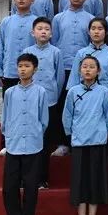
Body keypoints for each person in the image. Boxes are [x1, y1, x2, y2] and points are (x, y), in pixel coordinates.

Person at [62, 56, 108, 215]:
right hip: (79, 141)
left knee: (94, 180)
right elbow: (67, 115)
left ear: (98, 71)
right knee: (79, 181)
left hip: (98, 141)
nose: (88, 70)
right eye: (84, 66)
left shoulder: (104, 91)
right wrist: (71, 134)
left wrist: (105, 132)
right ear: (79, 70)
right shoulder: (73, 91)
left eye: (92, 67)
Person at [0, 53, 49, 215]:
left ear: (34, 69)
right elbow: (4, 118)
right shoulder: (10, 92)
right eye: (20, 65)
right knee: (10, 184)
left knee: (30, 184)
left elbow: (43, 120)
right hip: (13, 144)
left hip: (33, 144)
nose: (22, 69)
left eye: (27, 66)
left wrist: (35, 134)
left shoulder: (41, 92)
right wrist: (9, 136)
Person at [50, 0, 95, 156]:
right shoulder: (58, 18)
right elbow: (54, 44)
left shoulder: (91, 19)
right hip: (64, 68)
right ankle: (62, 143)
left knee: (82, 105)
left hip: (85, 70)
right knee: (62, 105)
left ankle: (82, 139)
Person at [0, 0, 37, 154]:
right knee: (9, 109)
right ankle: (6, 143)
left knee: (29, 110)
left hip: (31, 74)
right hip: (10, 73)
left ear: (32, 0)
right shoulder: (6, 21)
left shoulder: (36, 22)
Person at [22, 17, 65, 188]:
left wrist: (54, 92)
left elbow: (60, 78)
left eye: (47, 29)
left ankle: (42, 179)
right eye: (40, 28)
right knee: (29, 139)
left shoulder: (56, 52)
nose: (43, 31)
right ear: (33, 32)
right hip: (30, 101)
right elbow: (23, 74)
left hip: (50, 101)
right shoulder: (27, 51)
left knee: (45, 141)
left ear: (52, 33)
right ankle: (26, 179)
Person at [66, 18, 108, 107]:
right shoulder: (81, 53)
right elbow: (74, 77)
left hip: (104, 95)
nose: (96, 32)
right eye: (93, 29)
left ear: (106, 32)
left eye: (100, 29)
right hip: (83, 95)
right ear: (88, 32)